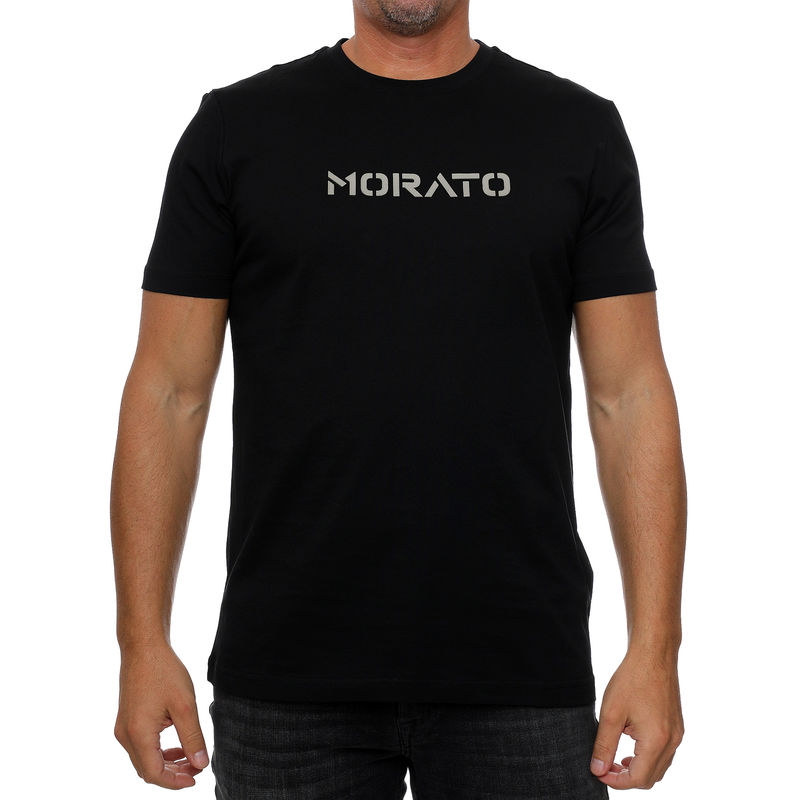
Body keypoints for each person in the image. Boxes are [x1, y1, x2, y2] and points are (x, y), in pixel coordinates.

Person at [110, 1, 686, 797]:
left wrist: (656, 650)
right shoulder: (236, 130)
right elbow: (168, 395)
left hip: (521, 669)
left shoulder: (574, 130)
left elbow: (629, 396)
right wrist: (141, 645)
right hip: (288, 674)